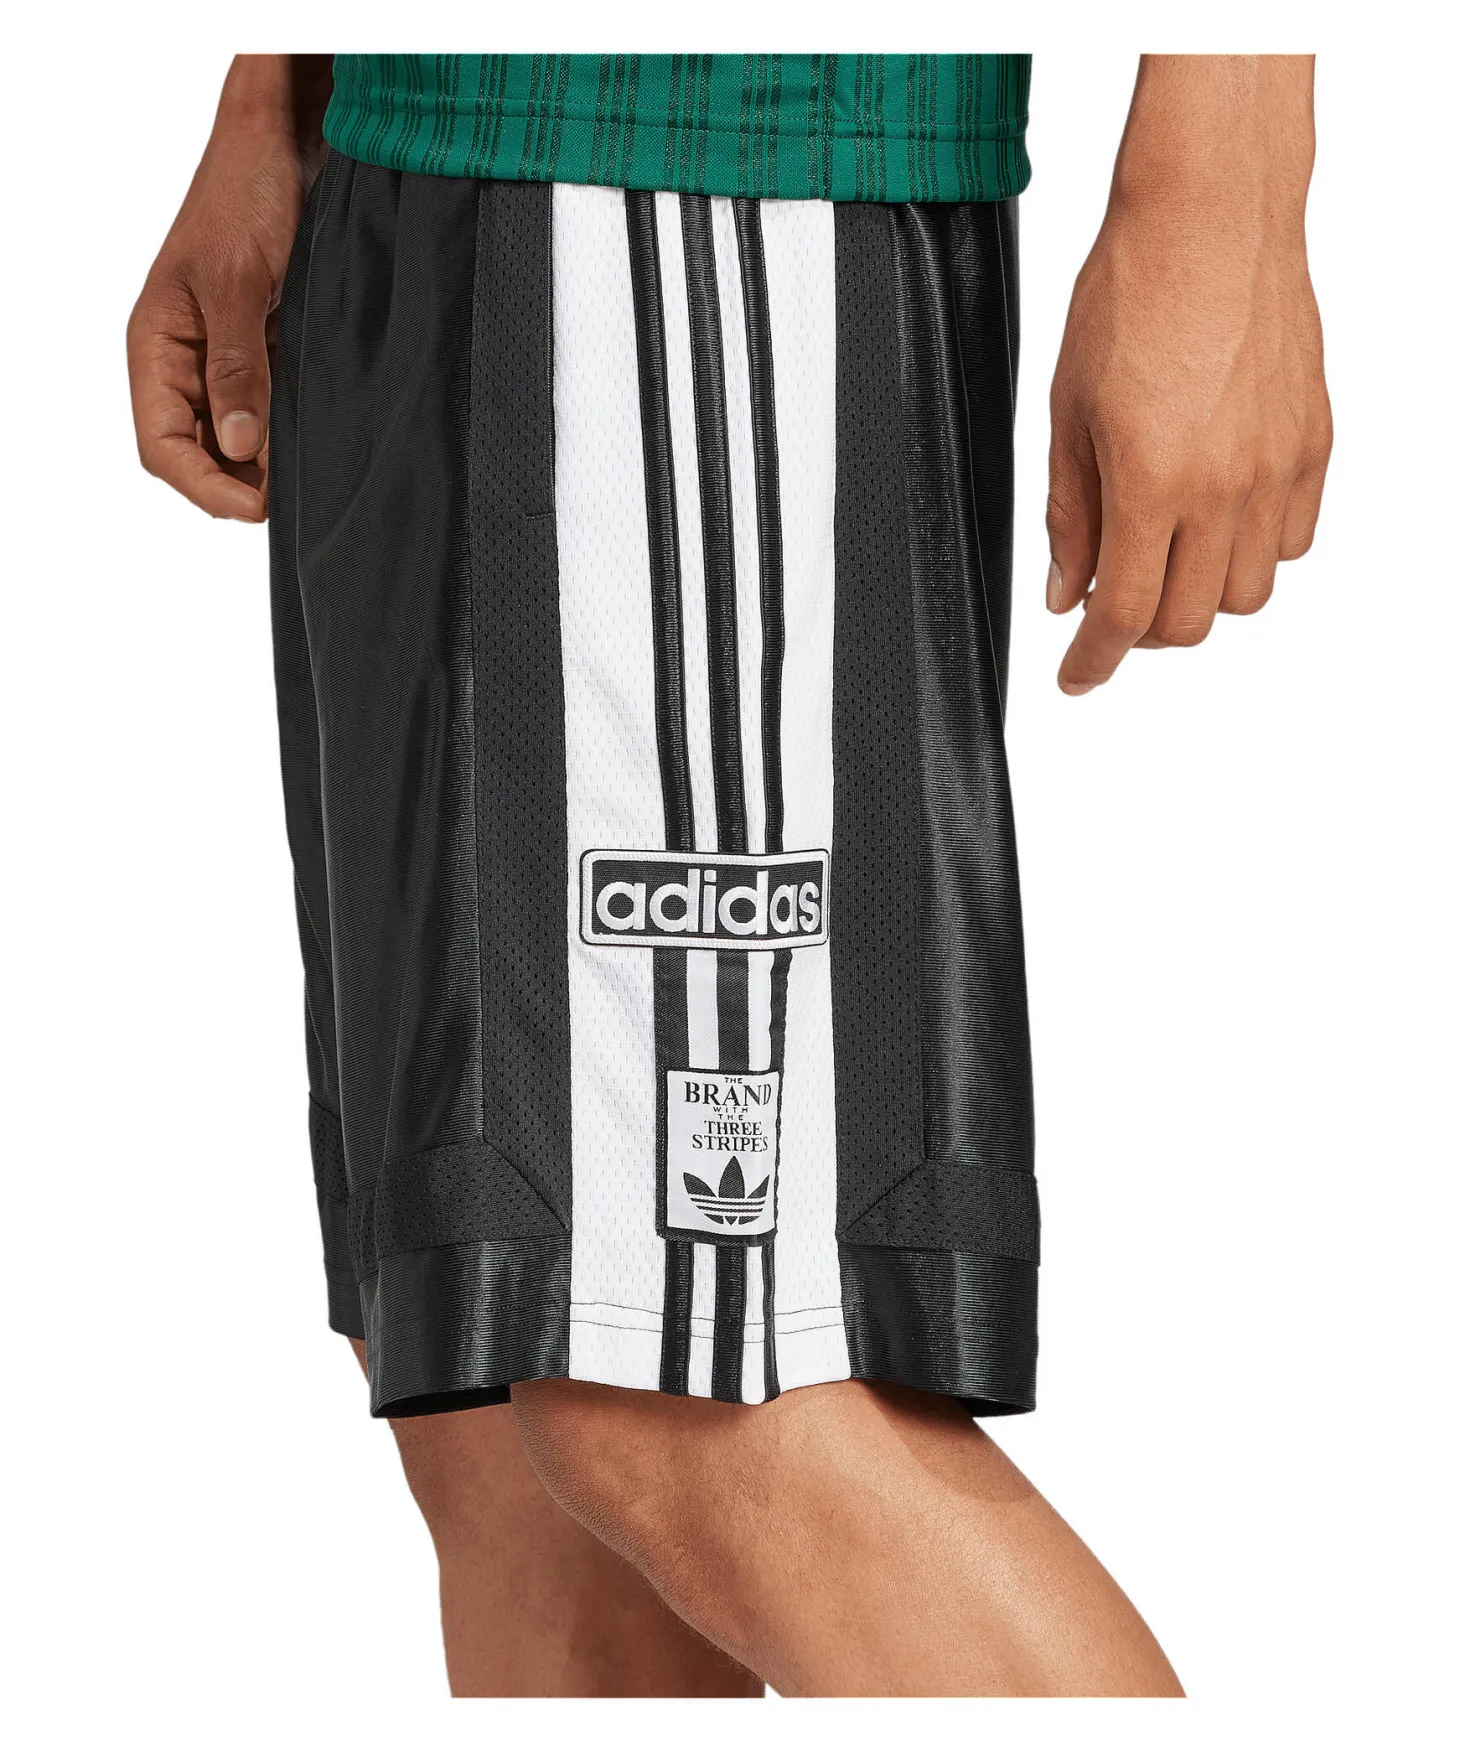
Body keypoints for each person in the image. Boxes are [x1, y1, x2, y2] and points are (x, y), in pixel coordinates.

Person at [127, 53, 1330, 1698]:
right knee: (505, 1414)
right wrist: (277, 96)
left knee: (693, 1398)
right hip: (420, 158)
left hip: (691, 164)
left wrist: (1227, 192)